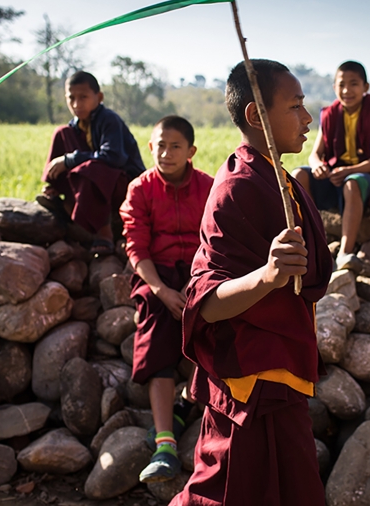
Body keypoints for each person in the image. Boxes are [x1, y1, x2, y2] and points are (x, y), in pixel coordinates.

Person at [170, 60, 333, 506]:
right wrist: (267, 275)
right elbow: (205, 302)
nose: (307, 119)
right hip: (249, 381)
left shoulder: (279, 179)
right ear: (257, 116)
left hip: (281, 370)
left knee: (292, 491)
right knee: (225, 493)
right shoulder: (237, 187)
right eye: (296, 106)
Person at [119, 115, 214, 483]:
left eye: (176, 146)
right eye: (160, 145)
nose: (166, 152)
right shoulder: (140, 189)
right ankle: (165, 445)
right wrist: (160, 289)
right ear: (149, 147)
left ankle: (186, 406)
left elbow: (217, 240)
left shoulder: (208, 187)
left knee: (210, 333)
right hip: (157, 275)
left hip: (199, 273)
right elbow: (136, 246)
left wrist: (197, 286)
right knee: (157, 330)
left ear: (191, 151)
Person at [291, 60, 370, 272]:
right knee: (299, 174)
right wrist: (318, 166)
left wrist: (349, 171)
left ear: (365, 88)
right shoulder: (330, 115)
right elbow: (316, 155)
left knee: (352, 184)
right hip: (336, 175)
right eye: (341, 84)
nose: (346, 90)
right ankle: (315, 239)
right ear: (334, 87)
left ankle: (344, 252)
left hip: (366, 177)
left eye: (354, 84)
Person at [39, 70, 146, 255]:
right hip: (92, 180)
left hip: (123, 183)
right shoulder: (75, 125)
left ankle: (104, 233)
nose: (76, 104)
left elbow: (114, 157)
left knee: (92, 167)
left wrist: (70, 159)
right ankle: (57, 191)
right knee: (61, 133)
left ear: (99, 97)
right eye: (71, 98)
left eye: (83, 97)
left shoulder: (109, 120)